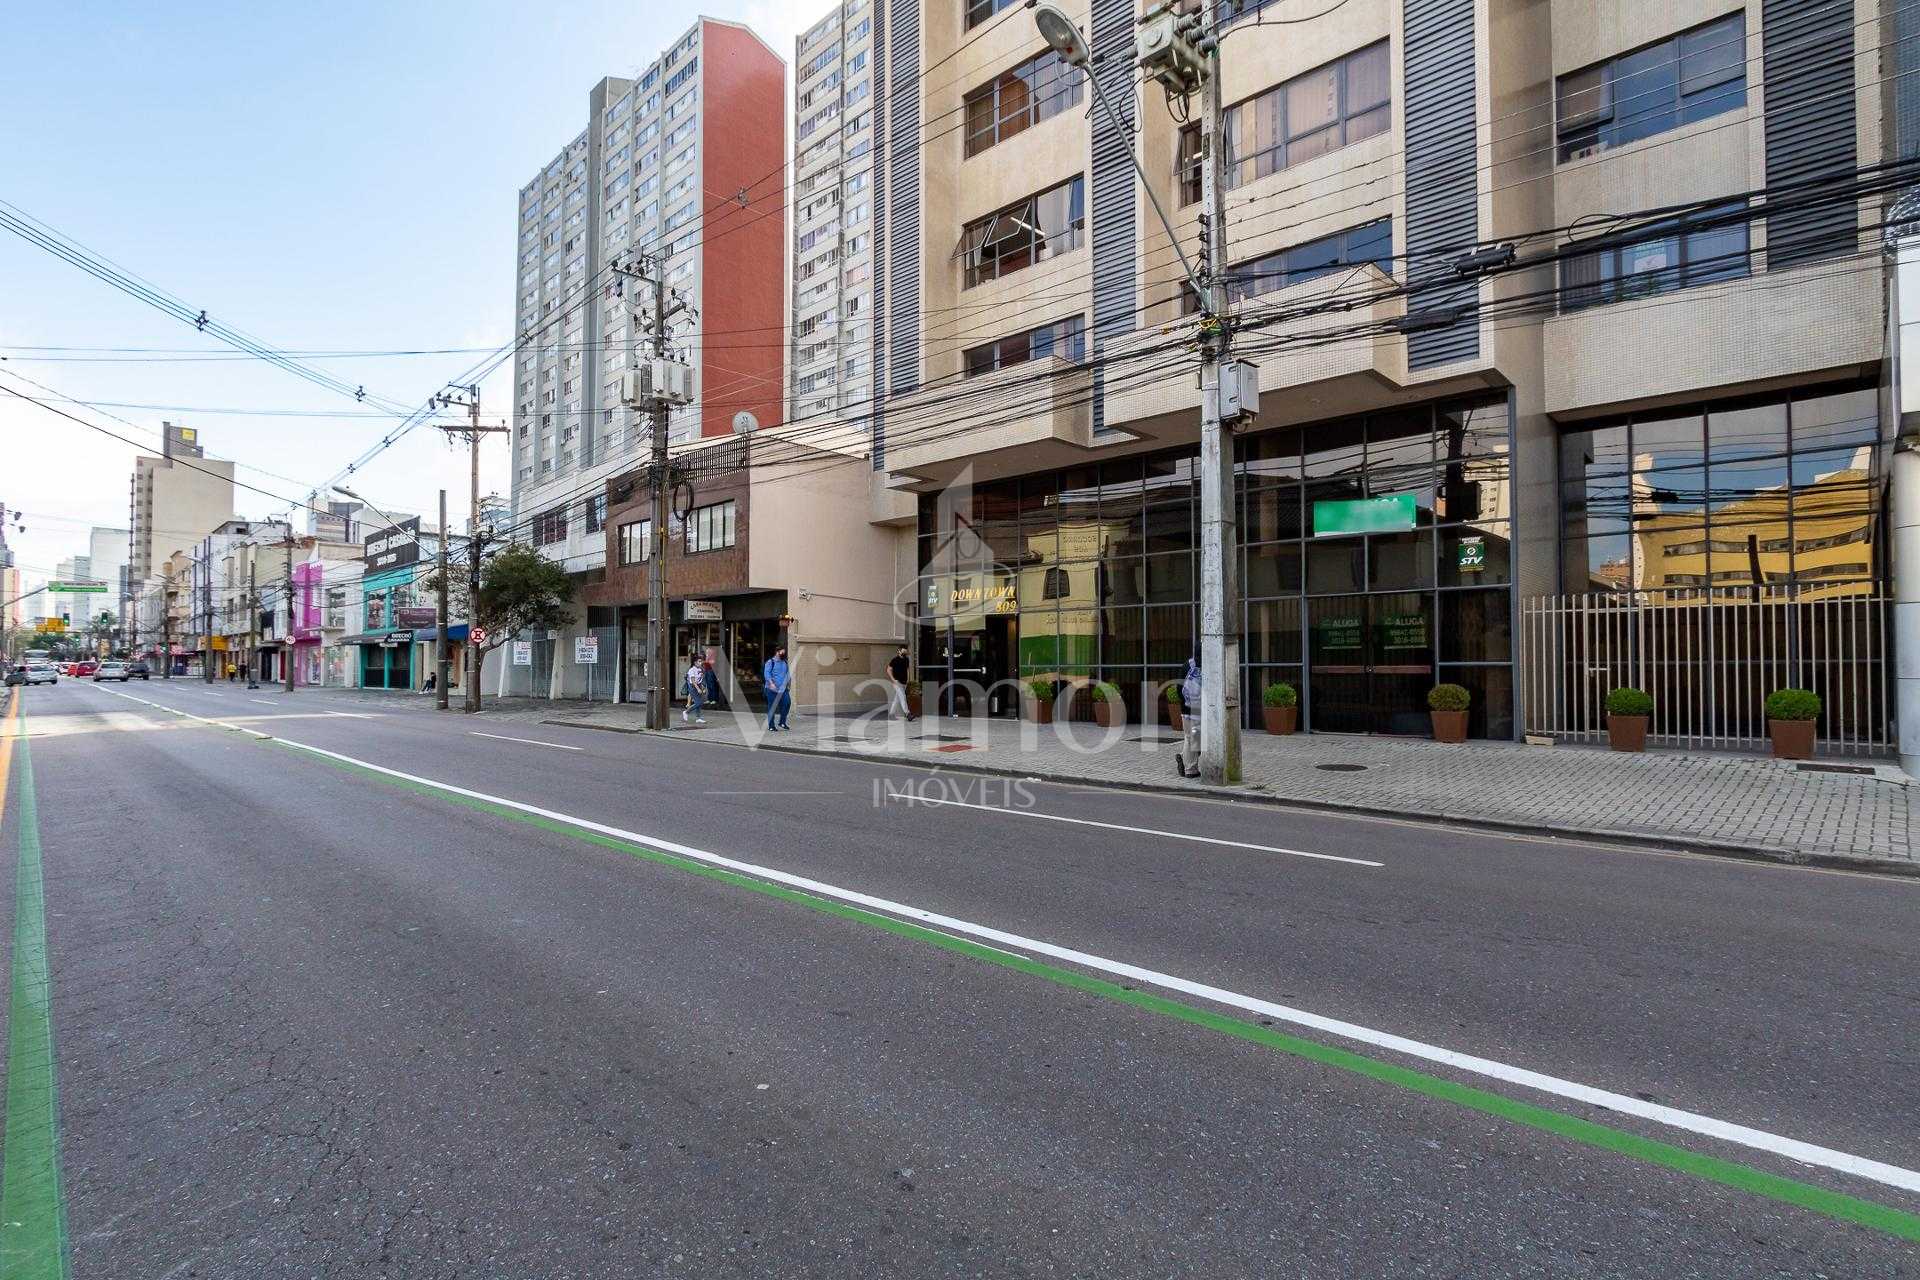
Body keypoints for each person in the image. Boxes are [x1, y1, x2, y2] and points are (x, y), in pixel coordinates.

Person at [1176, 658, 1202, 778]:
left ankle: (1184, 758)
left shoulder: (1186, 665)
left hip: (1186, 709)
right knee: (1194, 738)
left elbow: (1178, 689)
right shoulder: (1209, 664)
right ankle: (1191, 769)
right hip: (1198, 709)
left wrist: (1185, 704)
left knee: (1192, 737)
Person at [763, 646, 792, 732]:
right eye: (782, 652)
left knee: (787, 703)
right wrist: (771, 683)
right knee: (772, 707)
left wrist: (789, 684)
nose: (784, 654)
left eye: (784, 652)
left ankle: (782, 722)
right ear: (777, 652)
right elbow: (766, 674)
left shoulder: (785, 662)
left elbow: (788, 674)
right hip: (771, 689)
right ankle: (771, 726)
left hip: (783, 689)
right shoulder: (770, 662)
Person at [886, 645, 915, 720]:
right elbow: (888, 670)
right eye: (903, 651)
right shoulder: (894, 660)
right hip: (897, 682)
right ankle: (908, 714)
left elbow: (907, 670)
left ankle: (891, 715)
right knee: (903, 697)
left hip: (904, 682)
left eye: (905, 651)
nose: (905, 652)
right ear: (899, 651)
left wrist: (908, 679)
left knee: (897, 699)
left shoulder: (906, 659)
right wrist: (893, 679)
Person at [683, 654, 707, 725]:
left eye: (701, 661)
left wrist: (702, 688)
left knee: (699, 703)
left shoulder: (700, 669)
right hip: (693, 687)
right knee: (699, 702)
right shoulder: (691, 670)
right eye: (699, 661)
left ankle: (698, 718)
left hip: (698, 686)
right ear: (695, 662)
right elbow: (693, 681)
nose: (701, 663)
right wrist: (698, 689)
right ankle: (686, 712)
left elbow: (701, 680)